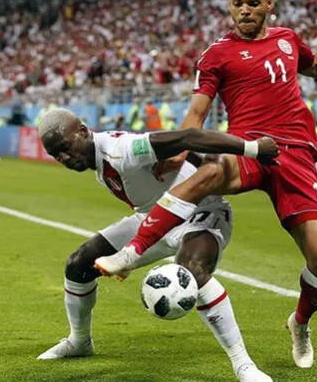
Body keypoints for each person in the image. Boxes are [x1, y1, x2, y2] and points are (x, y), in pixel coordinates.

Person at [94, 0, 317, 369]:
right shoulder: (216, 54)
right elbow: (197, 111)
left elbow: (315, 67)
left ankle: (300, 322)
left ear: (268, 5)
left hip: (295, 154)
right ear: (230, 8)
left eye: (252, 2)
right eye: (237, 4)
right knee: (209, 174)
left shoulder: (287, 39)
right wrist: (179, 149)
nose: (244, 10)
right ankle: (132, 251)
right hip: (248, 148)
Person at [36, 109, 278, 382]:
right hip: (152, 218)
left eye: (66, 147)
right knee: (78, 264)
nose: (64, 158)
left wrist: (253, 148)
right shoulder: (100, 160)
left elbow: (189, 136)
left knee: (193, 273)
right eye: (57, 155)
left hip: (200, 213)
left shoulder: (122, 150)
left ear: (82, 131)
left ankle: (243, 365)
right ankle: (79, 342)